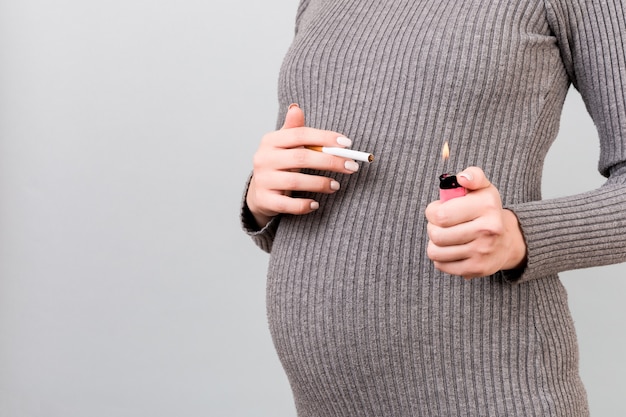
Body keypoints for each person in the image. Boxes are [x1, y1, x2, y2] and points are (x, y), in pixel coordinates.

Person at [241, 1, 626, 416]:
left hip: (490, 390)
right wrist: (264, 197)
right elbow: (319, 195)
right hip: (325, 401)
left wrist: (520, 235)